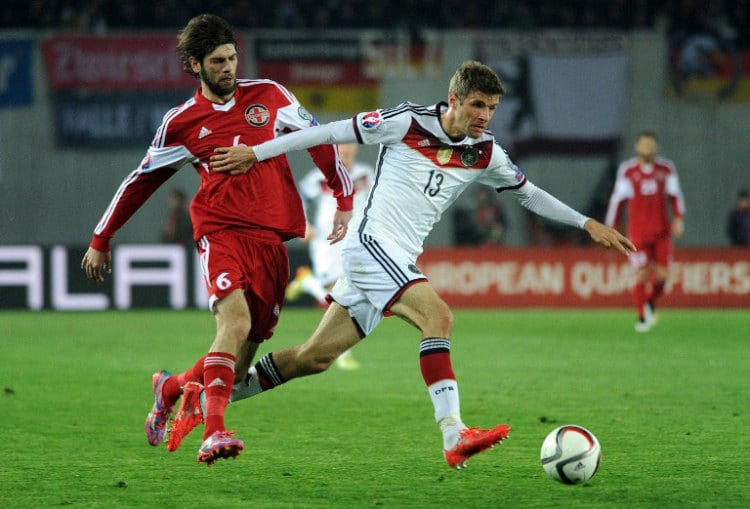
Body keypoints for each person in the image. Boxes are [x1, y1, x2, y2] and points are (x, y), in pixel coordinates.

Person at [169, 60, 635, 468]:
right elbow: (328, 132)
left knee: (314, 358)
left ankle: (200, 395)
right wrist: (258, 150)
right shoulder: (406, 122)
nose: (484, 116)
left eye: (491, 108)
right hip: (372, 245)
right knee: (439, 317)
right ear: (453, 99)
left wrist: (586, 222)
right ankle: (454, 434)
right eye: (476, 105)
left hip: (395, 257)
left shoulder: (486, 152)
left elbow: (528, 192)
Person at [80, 14, 353, 466]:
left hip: (272, 242)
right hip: (221, 232)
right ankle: (215, 431)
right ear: (194, 65)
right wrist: (101, 237)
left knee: (241, 363)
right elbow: (141, 181)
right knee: (235, 324)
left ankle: (170, 387)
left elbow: (320, 140)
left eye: (231, 57)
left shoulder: (270, 96)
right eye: (217, 60)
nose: (228, 67)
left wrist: (343, 195)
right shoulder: (182, 123)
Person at [286, 143, 375, 370]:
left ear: (356, 148)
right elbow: (298, 199)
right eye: (341, 145)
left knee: (353, 293)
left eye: (349, 145)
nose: (345, 149)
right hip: (327, 240)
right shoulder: (320, 175)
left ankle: (307, 281)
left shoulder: (365, 174)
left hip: (356, 240)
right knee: (336, 294)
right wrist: (303, 224)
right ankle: (343, 352)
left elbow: (378, 202)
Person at [605, 131, 685, 332]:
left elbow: (675, 195)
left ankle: (649, 302)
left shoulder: (666, 169)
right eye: (644, 144)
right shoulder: (628, 170)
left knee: (664, 276)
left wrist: (679, 218)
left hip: (661, 233)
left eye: (651, 144)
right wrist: (610, 227)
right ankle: (642, 318)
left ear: (655, 147)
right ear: (637, 147)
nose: (647, 148)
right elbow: (618, 200)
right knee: (640, 275)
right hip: (638, 233)